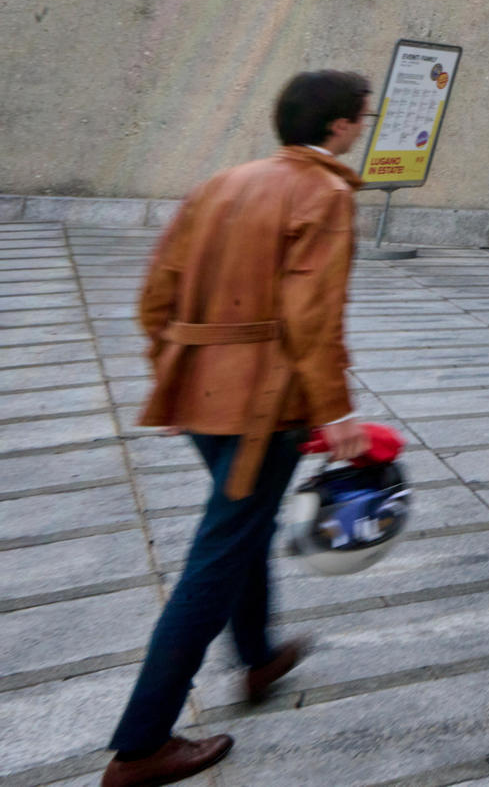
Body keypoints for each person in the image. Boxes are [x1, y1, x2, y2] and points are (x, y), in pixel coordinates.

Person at [103, 71, 375, 787]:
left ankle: (258, 659)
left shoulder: (223, 181)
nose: (366, 126)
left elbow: (154, 295)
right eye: (362, 118)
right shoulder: (325, 192)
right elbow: (313, 318)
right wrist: (336, 412)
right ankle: (140, 746)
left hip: (200, 393)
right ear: (340, 126)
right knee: (217, 556)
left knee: (242, 523)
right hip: (268, 406)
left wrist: (179, 359)